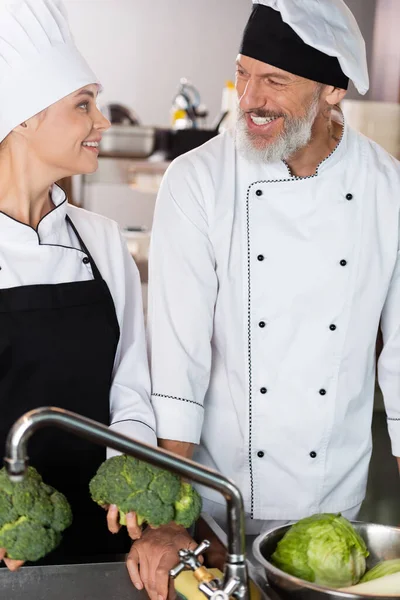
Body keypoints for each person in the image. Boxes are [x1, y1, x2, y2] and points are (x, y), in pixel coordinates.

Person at [127, 0, 400, 598]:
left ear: (332, 88)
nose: (248, 98)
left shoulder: (387, 190)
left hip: (336, 508)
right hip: (217, 502)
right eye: (243, 72)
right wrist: (173, 515)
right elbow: (179, 358)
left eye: (274, 81)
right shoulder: (198, 180)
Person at [0, 0, 156, 570]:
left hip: (104, 538)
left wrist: (130, 470)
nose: (103, 122)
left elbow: (131, 386)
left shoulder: (103, 239)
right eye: (83, 105)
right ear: (22, 117)